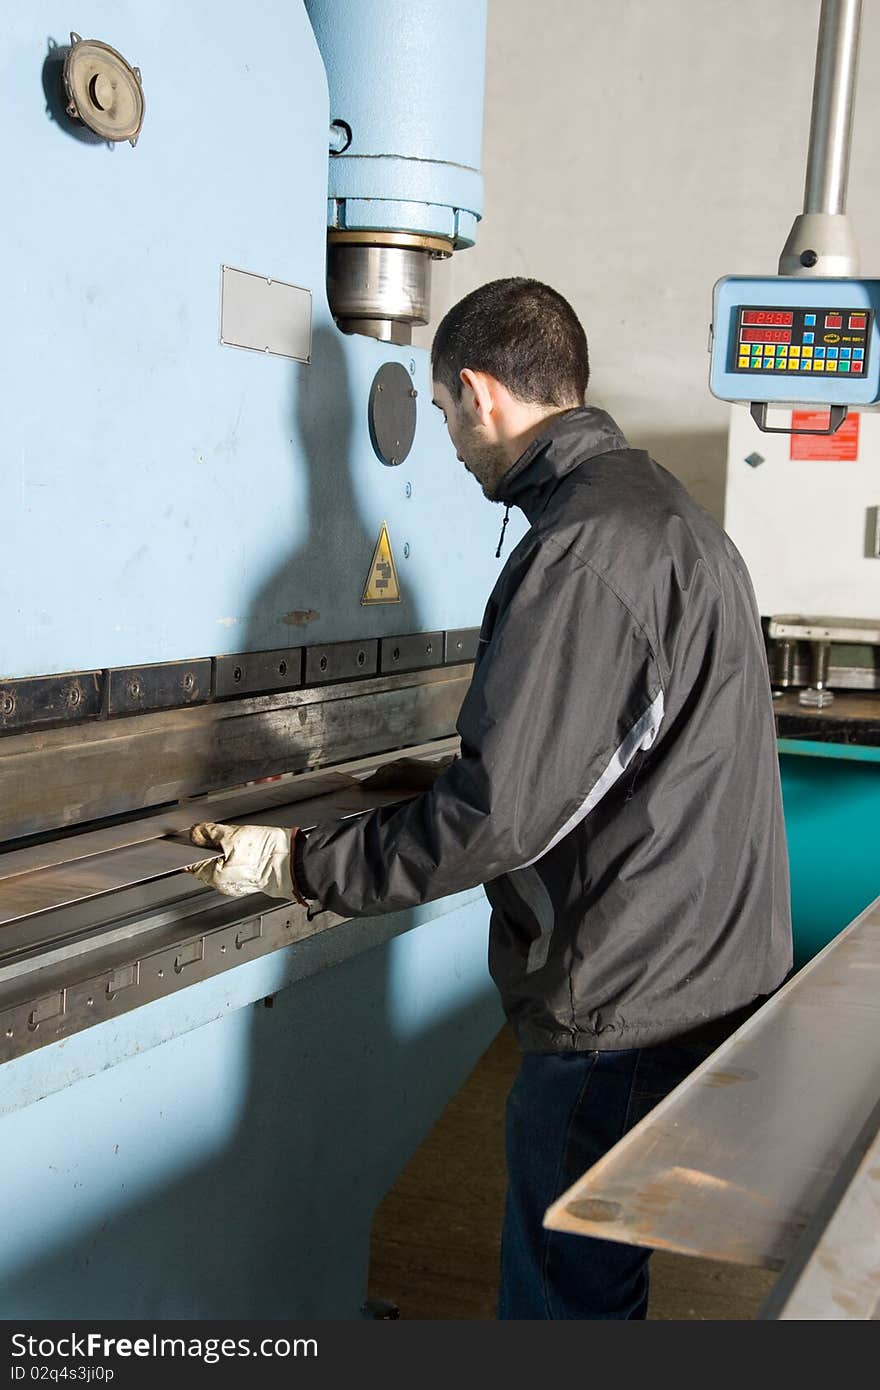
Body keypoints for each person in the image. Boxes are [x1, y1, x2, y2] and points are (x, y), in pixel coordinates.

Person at [186, 277, 793, 1320]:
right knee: (607, 1269)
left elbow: (499, 820)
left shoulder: (578, 550)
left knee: (565, 1296)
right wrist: (421, 782)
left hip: (623, 995)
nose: (452, 446)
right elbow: (614, 758)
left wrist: (300, 862)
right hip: (705, 969)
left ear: (477, 394)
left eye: (441, 417)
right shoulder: (666, 516)